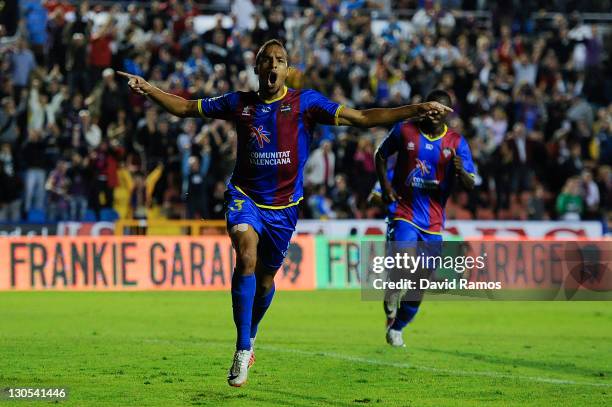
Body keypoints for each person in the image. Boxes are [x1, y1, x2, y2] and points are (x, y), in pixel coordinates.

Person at [118, 39, 451, 387]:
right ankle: (242, 347)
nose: (274, 65)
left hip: (284, 209)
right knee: (245, 255)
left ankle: (252, 332)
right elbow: (185, 108)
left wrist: (414, 110)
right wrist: (148, 89)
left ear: (286, 69)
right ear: (258, 68)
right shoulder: (239, 103)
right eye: (267, 60)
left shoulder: (305, 103)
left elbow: (363, 118)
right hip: (244, 196)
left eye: (280, 60)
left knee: (265, 282)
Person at [374, 89, 475, 348]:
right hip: (404, 213)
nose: (432, 113)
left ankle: (397, 329)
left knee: (420, 282)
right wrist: (385, 188)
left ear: (447, 114)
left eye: (439, 110)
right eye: (430, 107)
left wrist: (461, 170)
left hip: (433, 223)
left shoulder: (456, 142)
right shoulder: (405, 131)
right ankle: (392, 290)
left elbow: (471, 182)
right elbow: (380, 154)